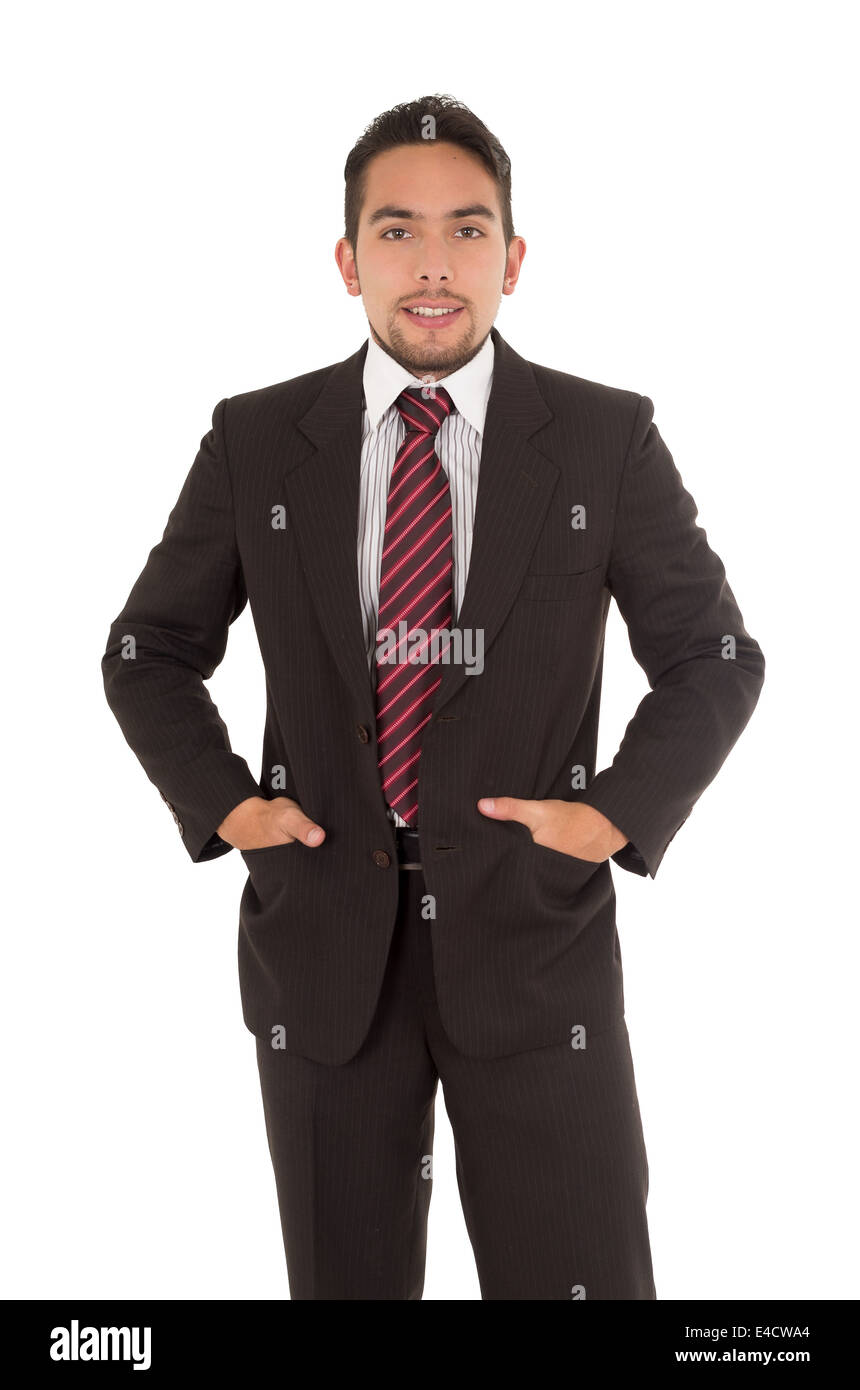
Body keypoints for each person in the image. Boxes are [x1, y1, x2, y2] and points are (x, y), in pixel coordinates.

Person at [101, 94, 765, 1300]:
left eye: (466, 230)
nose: (433, 265)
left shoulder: (602, 440)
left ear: (511, 259)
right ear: (348, 259)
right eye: (397, 231)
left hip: (533, 946)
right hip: (322, 949)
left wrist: (612, 815)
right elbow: (147, 651)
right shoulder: (256, 441)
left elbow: (713, 656)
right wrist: (228, 808)